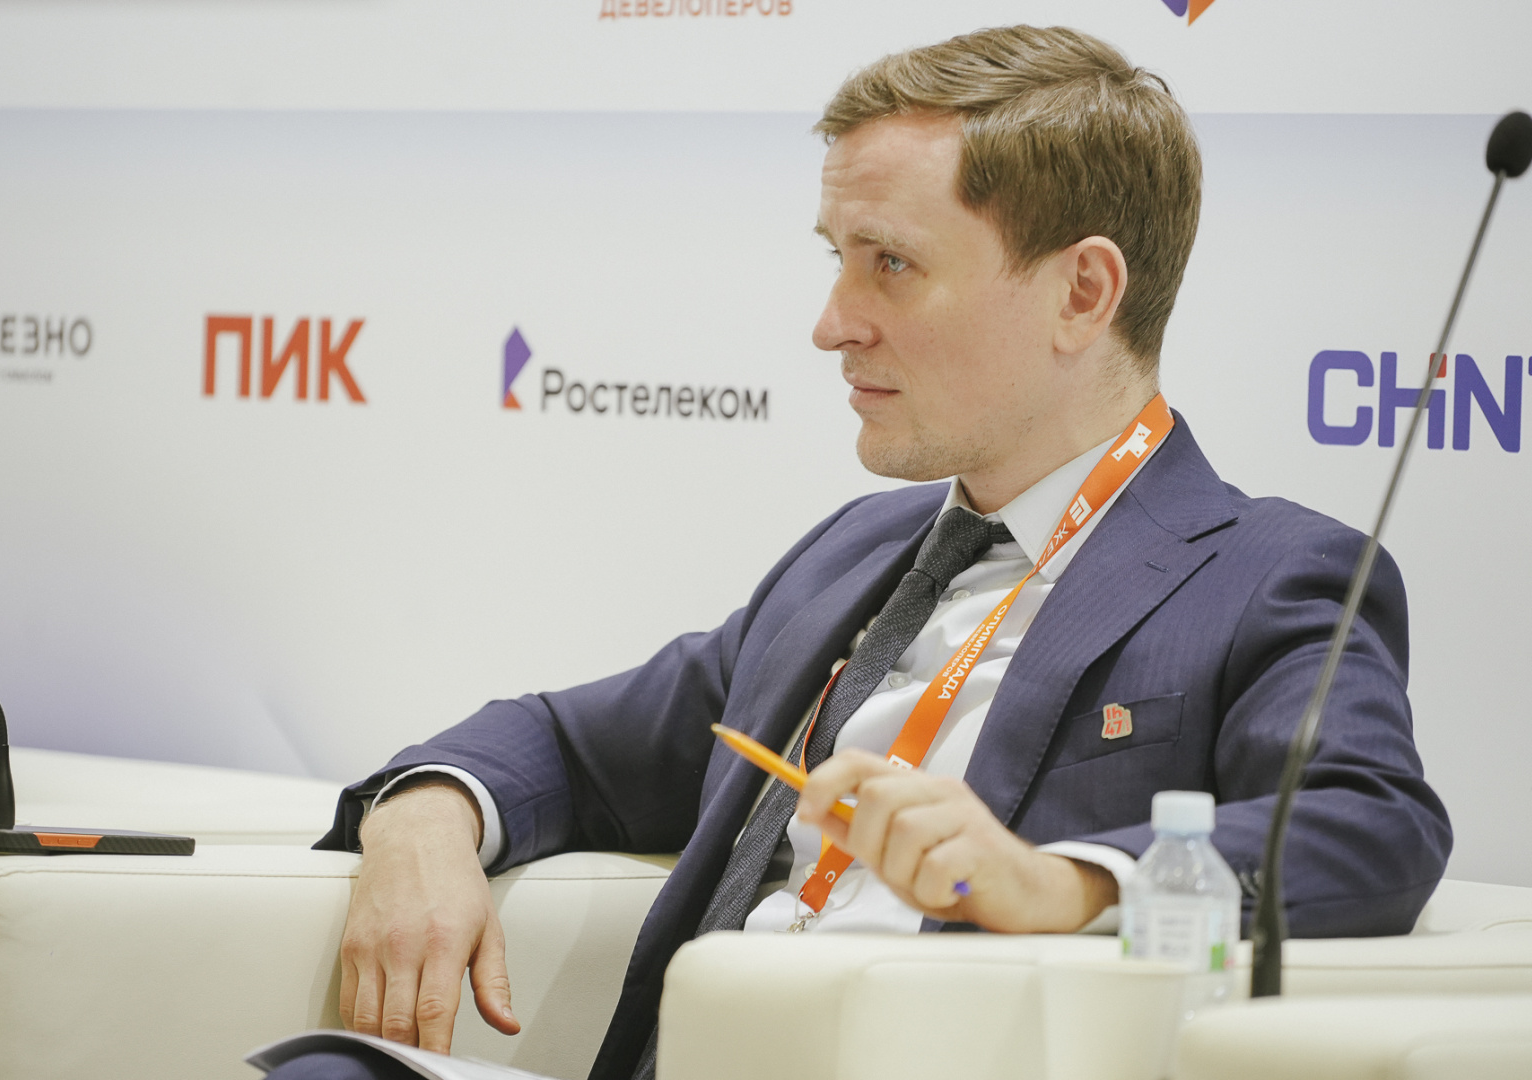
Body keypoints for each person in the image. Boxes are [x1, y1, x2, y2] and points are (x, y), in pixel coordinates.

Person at [290, 24, 1451, 1080]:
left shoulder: (1265, 575)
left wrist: (1050, 884)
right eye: (835, 257)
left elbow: (1370, 825)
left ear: (1081, 292)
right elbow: (573, 749)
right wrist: (425, 814)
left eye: (889, 262)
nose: (831, 322)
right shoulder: (856, 555)